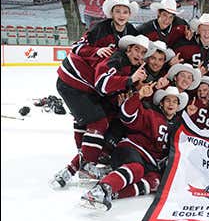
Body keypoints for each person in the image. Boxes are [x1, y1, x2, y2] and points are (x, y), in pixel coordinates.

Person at [50, 35, 150, 188]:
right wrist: (130, 80)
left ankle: (75, 166)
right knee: (98, 123)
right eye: (137, 50)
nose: (139, 55)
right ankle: (86, 166)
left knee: (99, 124)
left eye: (143, 53)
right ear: (128, 49)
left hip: (84, 89)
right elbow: (102, 84)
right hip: (72, 84)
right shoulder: (117, 58)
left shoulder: (129, 65)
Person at [80, 85, 188, 211]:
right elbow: (126, 115)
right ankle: (101, 189)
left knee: (156, 181)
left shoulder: (178, 126)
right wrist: (139, 96)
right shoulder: (150, 113)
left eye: (175, 101)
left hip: (150, 161)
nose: (171, 104)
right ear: (162, 103)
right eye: (168, 100)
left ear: (178, 106)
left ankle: (114, 193)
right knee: (137, 169)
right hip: (131, 149)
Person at [72, 0, 139, 67]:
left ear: (129, 15)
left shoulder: (131, 30)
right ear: (112, 14)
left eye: (125, 12)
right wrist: (97, 51)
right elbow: (76, 46)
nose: (121, 15)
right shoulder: (100, 28)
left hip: (107, 72)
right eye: (117, 11)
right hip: (80, 72)